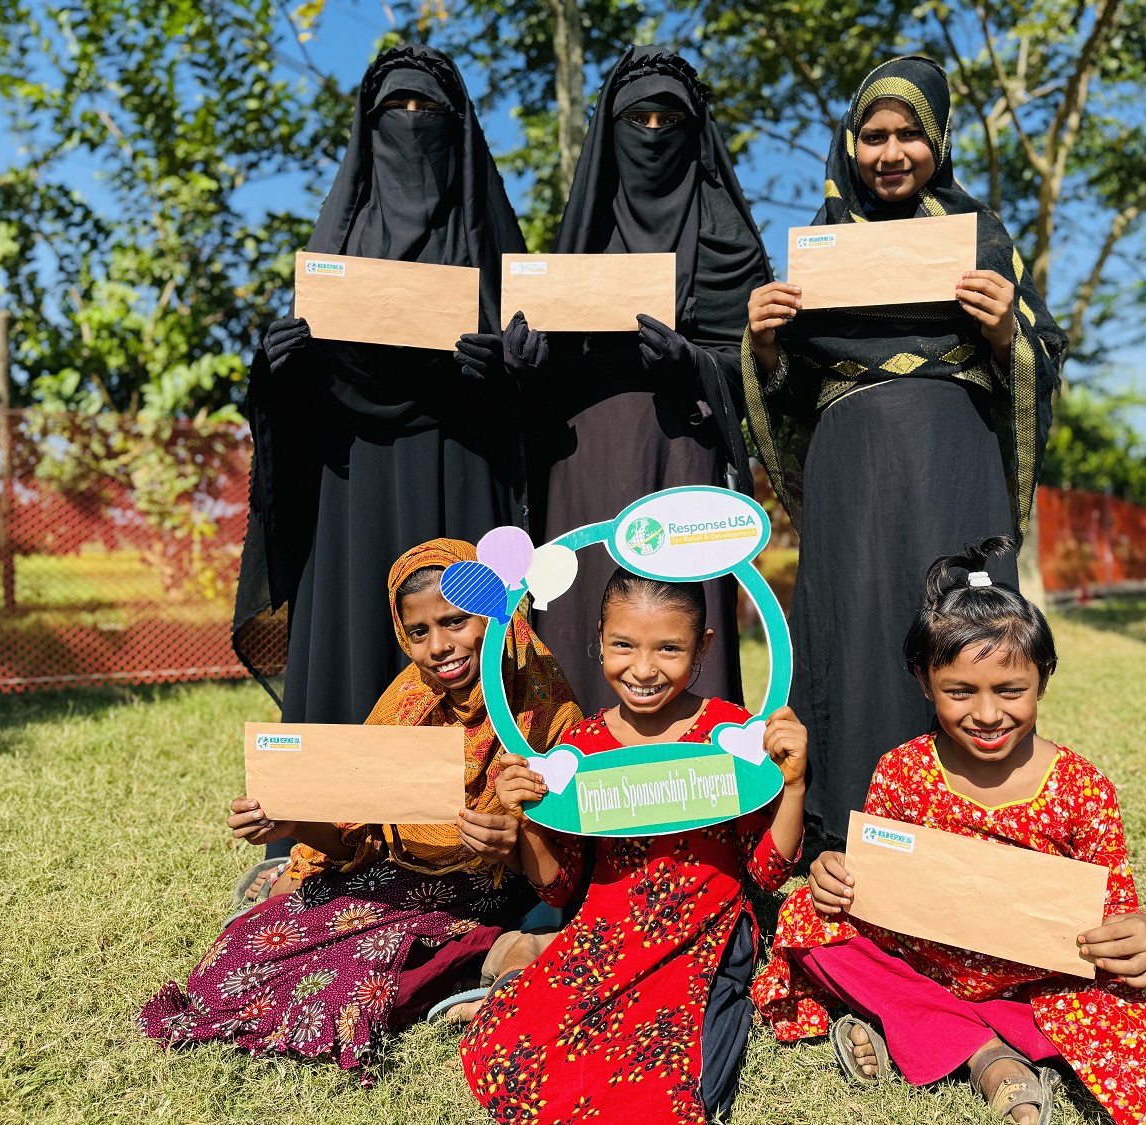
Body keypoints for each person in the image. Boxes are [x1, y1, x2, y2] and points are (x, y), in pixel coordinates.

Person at [751, 537, 1146, 1125]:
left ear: (1043, 680)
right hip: (920, 961)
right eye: (959, 692)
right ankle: (988, 1053)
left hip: (1035, 982)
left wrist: (1141, 937)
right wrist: (835, 878)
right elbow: (873, 882)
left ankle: (916, 1026)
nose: (986, 714)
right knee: (807, 919)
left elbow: (1117, 912)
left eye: (1010, 691)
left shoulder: (1082, 787)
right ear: (923, 681)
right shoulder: (902, 770)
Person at [742, 56, 1068, 838]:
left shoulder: (980, 235)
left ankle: (972, 826)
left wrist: (1004, 331)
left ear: (940, 140)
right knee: (854, 629)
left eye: (910, 134)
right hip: (850, 474)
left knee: (964, 627)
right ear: (851, 143)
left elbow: (1042, 354)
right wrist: (763, 344)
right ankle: (844, 826)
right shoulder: (821, 246)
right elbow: (787, 395)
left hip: (953, 466)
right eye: (874, 135)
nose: (891, 152)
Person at [140, 540, 583, 1079]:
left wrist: (511, 842)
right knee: (237, 956)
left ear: (495, 614)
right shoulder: (408, 701)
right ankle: (481, 967)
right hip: (393, 877)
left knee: (361, 982)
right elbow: (359, 835)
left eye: (456, 621)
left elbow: (563, 884)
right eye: (418, 632)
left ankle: (498, 954)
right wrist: (294, 823)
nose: (439, 647)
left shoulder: (549, 711)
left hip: (489, 894)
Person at [232, 44, 528, 759]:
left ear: (458, 126)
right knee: (354, 627)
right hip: (350, 480)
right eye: (396, 107)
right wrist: (278, 365)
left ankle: (480, 809)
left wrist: (504, 368)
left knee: (466, 629)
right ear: (369, 127)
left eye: (429, 108)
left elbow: (537, 390)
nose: (413, 119)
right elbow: (292, 401)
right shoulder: (339, 242)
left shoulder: (490, 246)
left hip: (462, 464)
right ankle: (340, 806)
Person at [460, 570, 808, 1123]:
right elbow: (558, 887)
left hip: (705, 932)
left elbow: (767, 873)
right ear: (599, 638)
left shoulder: (731, 735)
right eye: (624, 645)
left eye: (668, 648)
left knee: (660, 1091)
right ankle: (520, 975)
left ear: (703, 648)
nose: (643, 670)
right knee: (509, 1054)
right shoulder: (581, 748)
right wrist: (528, 818)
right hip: (604, 932)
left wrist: (792, 786)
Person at [512, 47, 771, 713]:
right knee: (580, 611)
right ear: (612, 130)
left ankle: (698, 770)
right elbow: (545, 376)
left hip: (684, 452)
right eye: (638, 120)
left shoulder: (729, 245)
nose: (654, 133)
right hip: (582, 461)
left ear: (695, 132)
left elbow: (760, 370)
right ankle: (574, 762)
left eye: (669, 120)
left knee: (683, 608)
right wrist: (528, 364)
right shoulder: (582, 240)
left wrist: (694, 364)